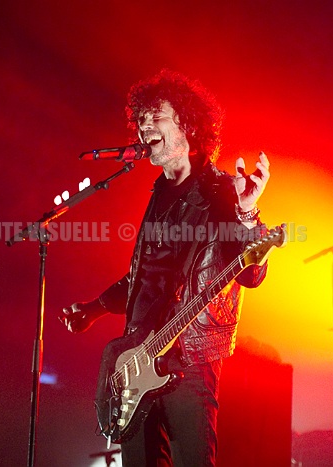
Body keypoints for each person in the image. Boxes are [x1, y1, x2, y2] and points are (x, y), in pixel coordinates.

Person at [60, 69, 271, 466]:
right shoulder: (158, 193)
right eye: (140, 118)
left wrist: (246, 213)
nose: (144, 126)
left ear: (188, 125)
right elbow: (143, 278)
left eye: (156, 116)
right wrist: (94, 308)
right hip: (137, 356)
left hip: (189, 358)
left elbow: (251, 274)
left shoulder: (223, 191)